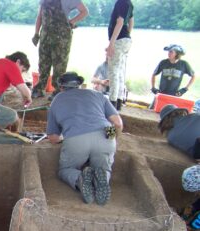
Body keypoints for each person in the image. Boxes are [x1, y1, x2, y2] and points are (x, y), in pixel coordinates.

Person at [47, 72, 123, 205]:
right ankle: (102, 176)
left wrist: (64, 137)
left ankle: (79, 177)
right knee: (104, 169)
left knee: (65, 169)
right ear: (79, 85)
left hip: (76, 139)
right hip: (105, 135)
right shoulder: (98, 95)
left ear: (61, 87)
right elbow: (118, 124)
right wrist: (112, 139)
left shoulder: (57, 100)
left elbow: (53, 138)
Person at [31, 0, 88, 98]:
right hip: (45, 36)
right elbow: (39, 17)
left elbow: (84, 11)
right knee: (43, 64)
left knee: (59, 66)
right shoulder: (43, 1)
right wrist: (36, 33)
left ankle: (58, 91)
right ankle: (39, 89)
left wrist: (71, 22)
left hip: (61, 38)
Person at [106, 0, 134, 111]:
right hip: (126, 40)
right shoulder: (129, 3)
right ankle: (118, 101)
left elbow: (120, 21)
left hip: (119, 39)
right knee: (121, 72)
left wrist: (111, 43)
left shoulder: (122, 2)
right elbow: (131, 21)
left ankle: (112, 103)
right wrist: (127, 35)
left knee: (114, 72)